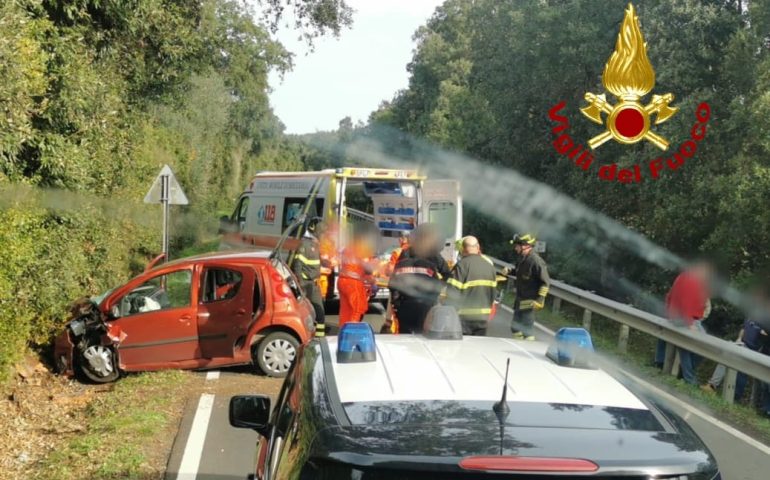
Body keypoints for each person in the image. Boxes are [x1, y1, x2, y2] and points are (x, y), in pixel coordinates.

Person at [655, 261, 712, 385]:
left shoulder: (683, 277)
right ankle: (688, 378)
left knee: (685, 348)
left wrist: (669, 313)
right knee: (706, 347)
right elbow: (686, 302)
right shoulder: (691, 280)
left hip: (678, 318)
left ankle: (687, 376)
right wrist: (690, 323)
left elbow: (669, 297)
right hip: (688, 319)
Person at [388, 224, 446, 334]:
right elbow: (442, 278)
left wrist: (396, 302)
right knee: (422, 332)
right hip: (424, 303)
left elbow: (393, 284)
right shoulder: (431, 261)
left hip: (405, 303)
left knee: (405, 332)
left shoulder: (404, 257)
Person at [446, 236, 498, 336]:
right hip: (483, 318)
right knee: (477, 347)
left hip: (464, 319)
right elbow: (493, 293)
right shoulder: (489, 266)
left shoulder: (462, 265)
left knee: (462, 348)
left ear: (463, 249)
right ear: (477, 247)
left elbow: (453, 292)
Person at [510, 233, 550, 341]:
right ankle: (518, 345)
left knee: (527, 330)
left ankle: (527, 348)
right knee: (515, 328)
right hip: (520, 299)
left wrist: (540, 300)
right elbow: (519, 272)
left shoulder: (535, 261)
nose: (515, 248)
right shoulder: (522, 259)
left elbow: (545, 282)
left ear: (525, 245)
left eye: (517, 245)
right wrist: (510, 271)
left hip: (530, 301)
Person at [290, 217, 325, 337]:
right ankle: (306, 338)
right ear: (313, 229)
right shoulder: (305, 244)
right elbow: (298, 265)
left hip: (314, 284)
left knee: (319, 313)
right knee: (306, 313)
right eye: (321, 230)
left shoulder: (315, 244)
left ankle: (320, 340)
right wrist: (300, 284)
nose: (323, 233)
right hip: (306, 284)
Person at [337, 226, 376, 328]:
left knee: (345, 311)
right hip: (353, 282)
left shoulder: (348, 248)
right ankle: (352, 333)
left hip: (342, 281)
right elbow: (368, 268)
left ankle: (343, 334)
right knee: (357, 309)